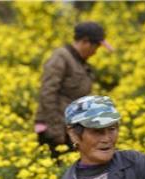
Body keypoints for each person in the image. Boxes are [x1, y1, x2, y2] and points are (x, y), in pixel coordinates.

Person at [34, 21, 112, 156]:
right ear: (85, 42)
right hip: (54, 130)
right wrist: (56, 131)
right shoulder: (61, 57)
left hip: (69, 128)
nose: (96, 52)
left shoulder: (79, 61)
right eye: (96, 47)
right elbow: (47, 93)